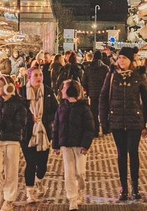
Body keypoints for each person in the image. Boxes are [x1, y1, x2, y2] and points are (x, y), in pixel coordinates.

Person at [99, 46, 147, 201]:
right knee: (121, 154)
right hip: (117, 120)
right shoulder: (112, 75)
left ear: (131, 60)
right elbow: (103, 97)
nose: (121, 60)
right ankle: (124, 187)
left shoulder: (138, 76)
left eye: (124, 58)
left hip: (134, 120)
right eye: (119, 58)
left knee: (133, 152)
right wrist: (103, 120)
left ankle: (135, 187)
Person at [0, 75, 30, 211]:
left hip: (12, 140)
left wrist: (7, 125)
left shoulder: (19, 102)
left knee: (11, 171)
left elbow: (22, 122)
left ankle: (9, 199)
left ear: (7, 86)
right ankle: (0, 191)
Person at [52, 80, 94, 211]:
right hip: (66, 144)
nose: (62, 91)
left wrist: (85, 144)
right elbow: (57, 126)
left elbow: (89, 128)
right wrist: (56, 145)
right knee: (69, 173)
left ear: (71, 91)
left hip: (79, 145)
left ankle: (80, 189)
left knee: (80, 172)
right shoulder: (61, 107)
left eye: (64, 88)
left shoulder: (83, 108)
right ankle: (72, 198)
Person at [20, 67, 57, 202]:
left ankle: (39, 180)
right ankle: (30, 192)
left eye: (40, 75)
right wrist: (30, 119)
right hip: (27, 133)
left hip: (44, 132)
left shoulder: (48, 91)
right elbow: (19, 111)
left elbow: (55, 110)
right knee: (30, 163)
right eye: (36, 75)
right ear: (29, 77)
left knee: (42, 165)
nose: (39, 78)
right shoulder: (22, 92)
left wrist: (45, 119)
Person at [82, 50, 110, 137]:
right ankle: (105, 129)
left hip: (93, 94)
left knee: (94, 112)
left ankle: (95, 130)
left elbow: (84, 82)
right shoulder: (105, 68)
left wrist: (88, 90)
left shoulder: (88, 68)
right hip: (103, 93)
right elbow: (109, 81)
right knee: (103, 111)